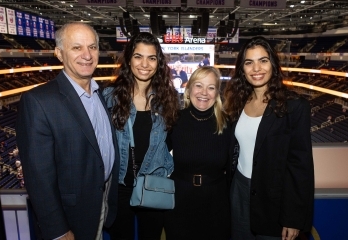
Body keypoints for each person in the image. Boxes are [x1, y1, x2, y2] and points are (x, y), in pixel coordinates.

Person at [16, 22, 120, 240]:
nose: (87, 55)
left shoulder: (102, 95)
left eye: (92, 47)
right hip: (71, 217)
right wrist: (58, 231)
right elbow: (38, 178)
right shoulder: (38, 101)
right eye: (76, 48)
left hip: (101, 205)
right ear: (59, 53)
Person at [223, 36, 314, 240]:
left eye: (263, 60)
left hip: (274, 199)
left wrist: (293, 218)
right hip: (238, 190)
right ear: (242, 69)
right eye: (249, 62)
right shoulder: (237, 103)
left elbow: (300, 167)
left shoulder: (294, 106)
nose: (256, 68)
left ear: (272, 64)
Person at [103, 32, 180, 240]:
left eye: (151, 58)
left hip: (153, 185)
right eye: (138, 56)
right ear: (129, 59)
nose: (144, 64)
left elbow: (172, 142)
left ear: (158, 63)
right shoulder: (109, 98)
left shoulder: (168, 100)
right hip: (118, 189)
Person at [164, 66, 231, 240]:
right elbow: (158, 157)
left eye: (211, 87)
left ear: (217, 93)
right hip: (179, 204)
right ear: (189, 88)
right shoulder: (174, 119)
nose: (204, 93)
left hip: (216, 205)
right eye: (199, 85)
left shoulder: (227, 123)